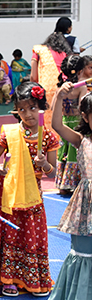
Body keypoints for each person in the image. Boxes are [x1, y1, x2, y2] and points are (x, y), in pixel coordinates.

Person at [0, 81, 59, 297]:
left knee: (31, 234)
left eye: (33, 108)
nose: (28, 114)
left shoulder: (48, 136)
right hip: (8, 192)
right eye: (22, 109)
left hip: (33, 194)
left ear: (41, 107)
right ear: (16, 111)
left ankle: (33, 277)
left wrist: (44, 164)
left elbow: (52, 173)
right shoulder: (9, 133)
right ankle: (8, 278)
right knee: (10, 232)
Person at [45, 82, 92, 300]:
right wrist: (58, 97)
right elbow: (56, 125)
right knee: (84, 255)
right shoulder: (81, 140)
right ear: (85, 116)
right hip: (86, 209)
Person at [53, 55, 91, 195]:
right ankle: (74, 183)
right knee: (73, 153)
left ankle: (63, 184)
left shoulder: (61, 87)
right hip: (75, 123)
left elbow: (52, 107)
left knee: (63, 152)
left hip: (64, 121)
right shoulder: (81, 87)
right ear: (80, 70)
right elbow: (83, 107)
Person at [30, 27, 72, 129]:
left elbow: (33, 77)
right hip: (66, 88)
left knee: (46, 122)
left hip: (45, 89)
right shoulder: (66, 53)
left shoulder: (39, 50)